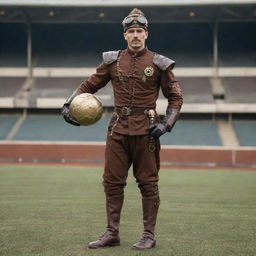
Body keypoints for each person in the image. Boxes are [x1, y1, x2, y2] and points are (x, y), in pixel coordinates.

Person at [62, 8, 183, 250]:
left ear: (146, 34)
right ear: (125, 35)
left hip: (147, 131)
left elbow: (175, 98)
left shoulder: (159, 63)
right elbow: (89, 85)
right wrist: (68, 104)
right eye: (131, 32)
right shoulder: (112, 61)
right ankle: (111, 233)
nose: (135, 35)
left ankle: (149, 235)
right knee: (111, 182)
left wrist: (166, 124)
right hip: (117, 130)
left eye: (140, 31)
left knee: (148, 184)